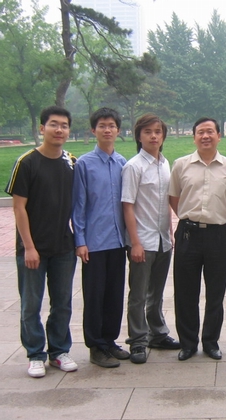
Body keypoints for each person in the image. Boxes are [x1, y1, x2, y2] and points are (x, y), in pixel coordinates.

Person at [5, 106, 78, 378]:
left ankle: (59, 351)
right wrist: (29, 247)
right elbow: (18, 208)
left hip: (63, 247)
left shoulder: (71, 162)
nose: (59, 130)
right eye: (53, 124)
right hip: (33, 248)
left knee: (62, 303)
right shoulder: (26, 162)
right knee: (31, 304)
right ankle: (35, 354)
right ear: (42, 128)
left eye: (64, 125)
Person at [169, 117, 226, 361]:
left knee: (216, 292)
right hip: (188, 234)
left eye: (210, 132)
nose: (205, 136)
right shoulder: (181, 165)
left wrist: (216, 218)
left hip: (218, 235)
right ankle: (188, 343)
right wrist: (189, 218)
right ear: (194, 137)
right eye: (200, 132)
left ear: (219, 136)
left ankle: (211, 342)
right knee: (185, 292)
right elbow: (174, 198)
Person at [73, 107, 129, 368]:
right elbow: (79, 205)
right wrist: (80, 240)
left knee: (115, 294)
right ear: (93, 130)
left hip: (118, 242)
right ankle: (96, 346)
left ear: (118, 130)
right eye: (102, 126)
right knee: (94, 296)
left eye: (111, 126)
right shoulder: (84, 164)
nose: (107, 130)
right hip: (94, 243)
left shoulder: (122, 163)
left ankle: (110, 340)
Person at [121, 114, 180, 365]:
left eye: (158, 131)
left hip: (163, 240)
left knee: (157, 292)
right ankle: (137, 340)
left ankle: (158, 333)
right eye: (147, 132)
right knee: (138, 294)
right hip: (142, 242)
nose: (153, 136)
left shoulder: (165, 164)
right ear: (139, 136)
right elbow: (127, 206)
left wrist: (170, 232)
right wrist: (135, 242)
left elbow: (165, 202)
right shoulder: (133, 167)